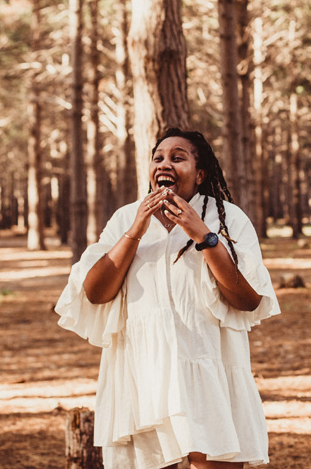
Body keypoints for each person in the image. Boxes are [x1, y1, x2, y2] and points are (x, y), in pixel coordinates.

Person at [56, 127, 280, 469]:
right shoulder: (125, 218)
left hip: (210, 368)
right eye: (158, 158)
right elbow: (96, 292)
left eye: (178, 158)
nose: (165, 164)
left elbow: (247, 299)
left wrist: (202, 235)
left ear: (200, 173)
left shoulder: (227, 217)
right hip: (143, 372)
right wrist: (135, 232)